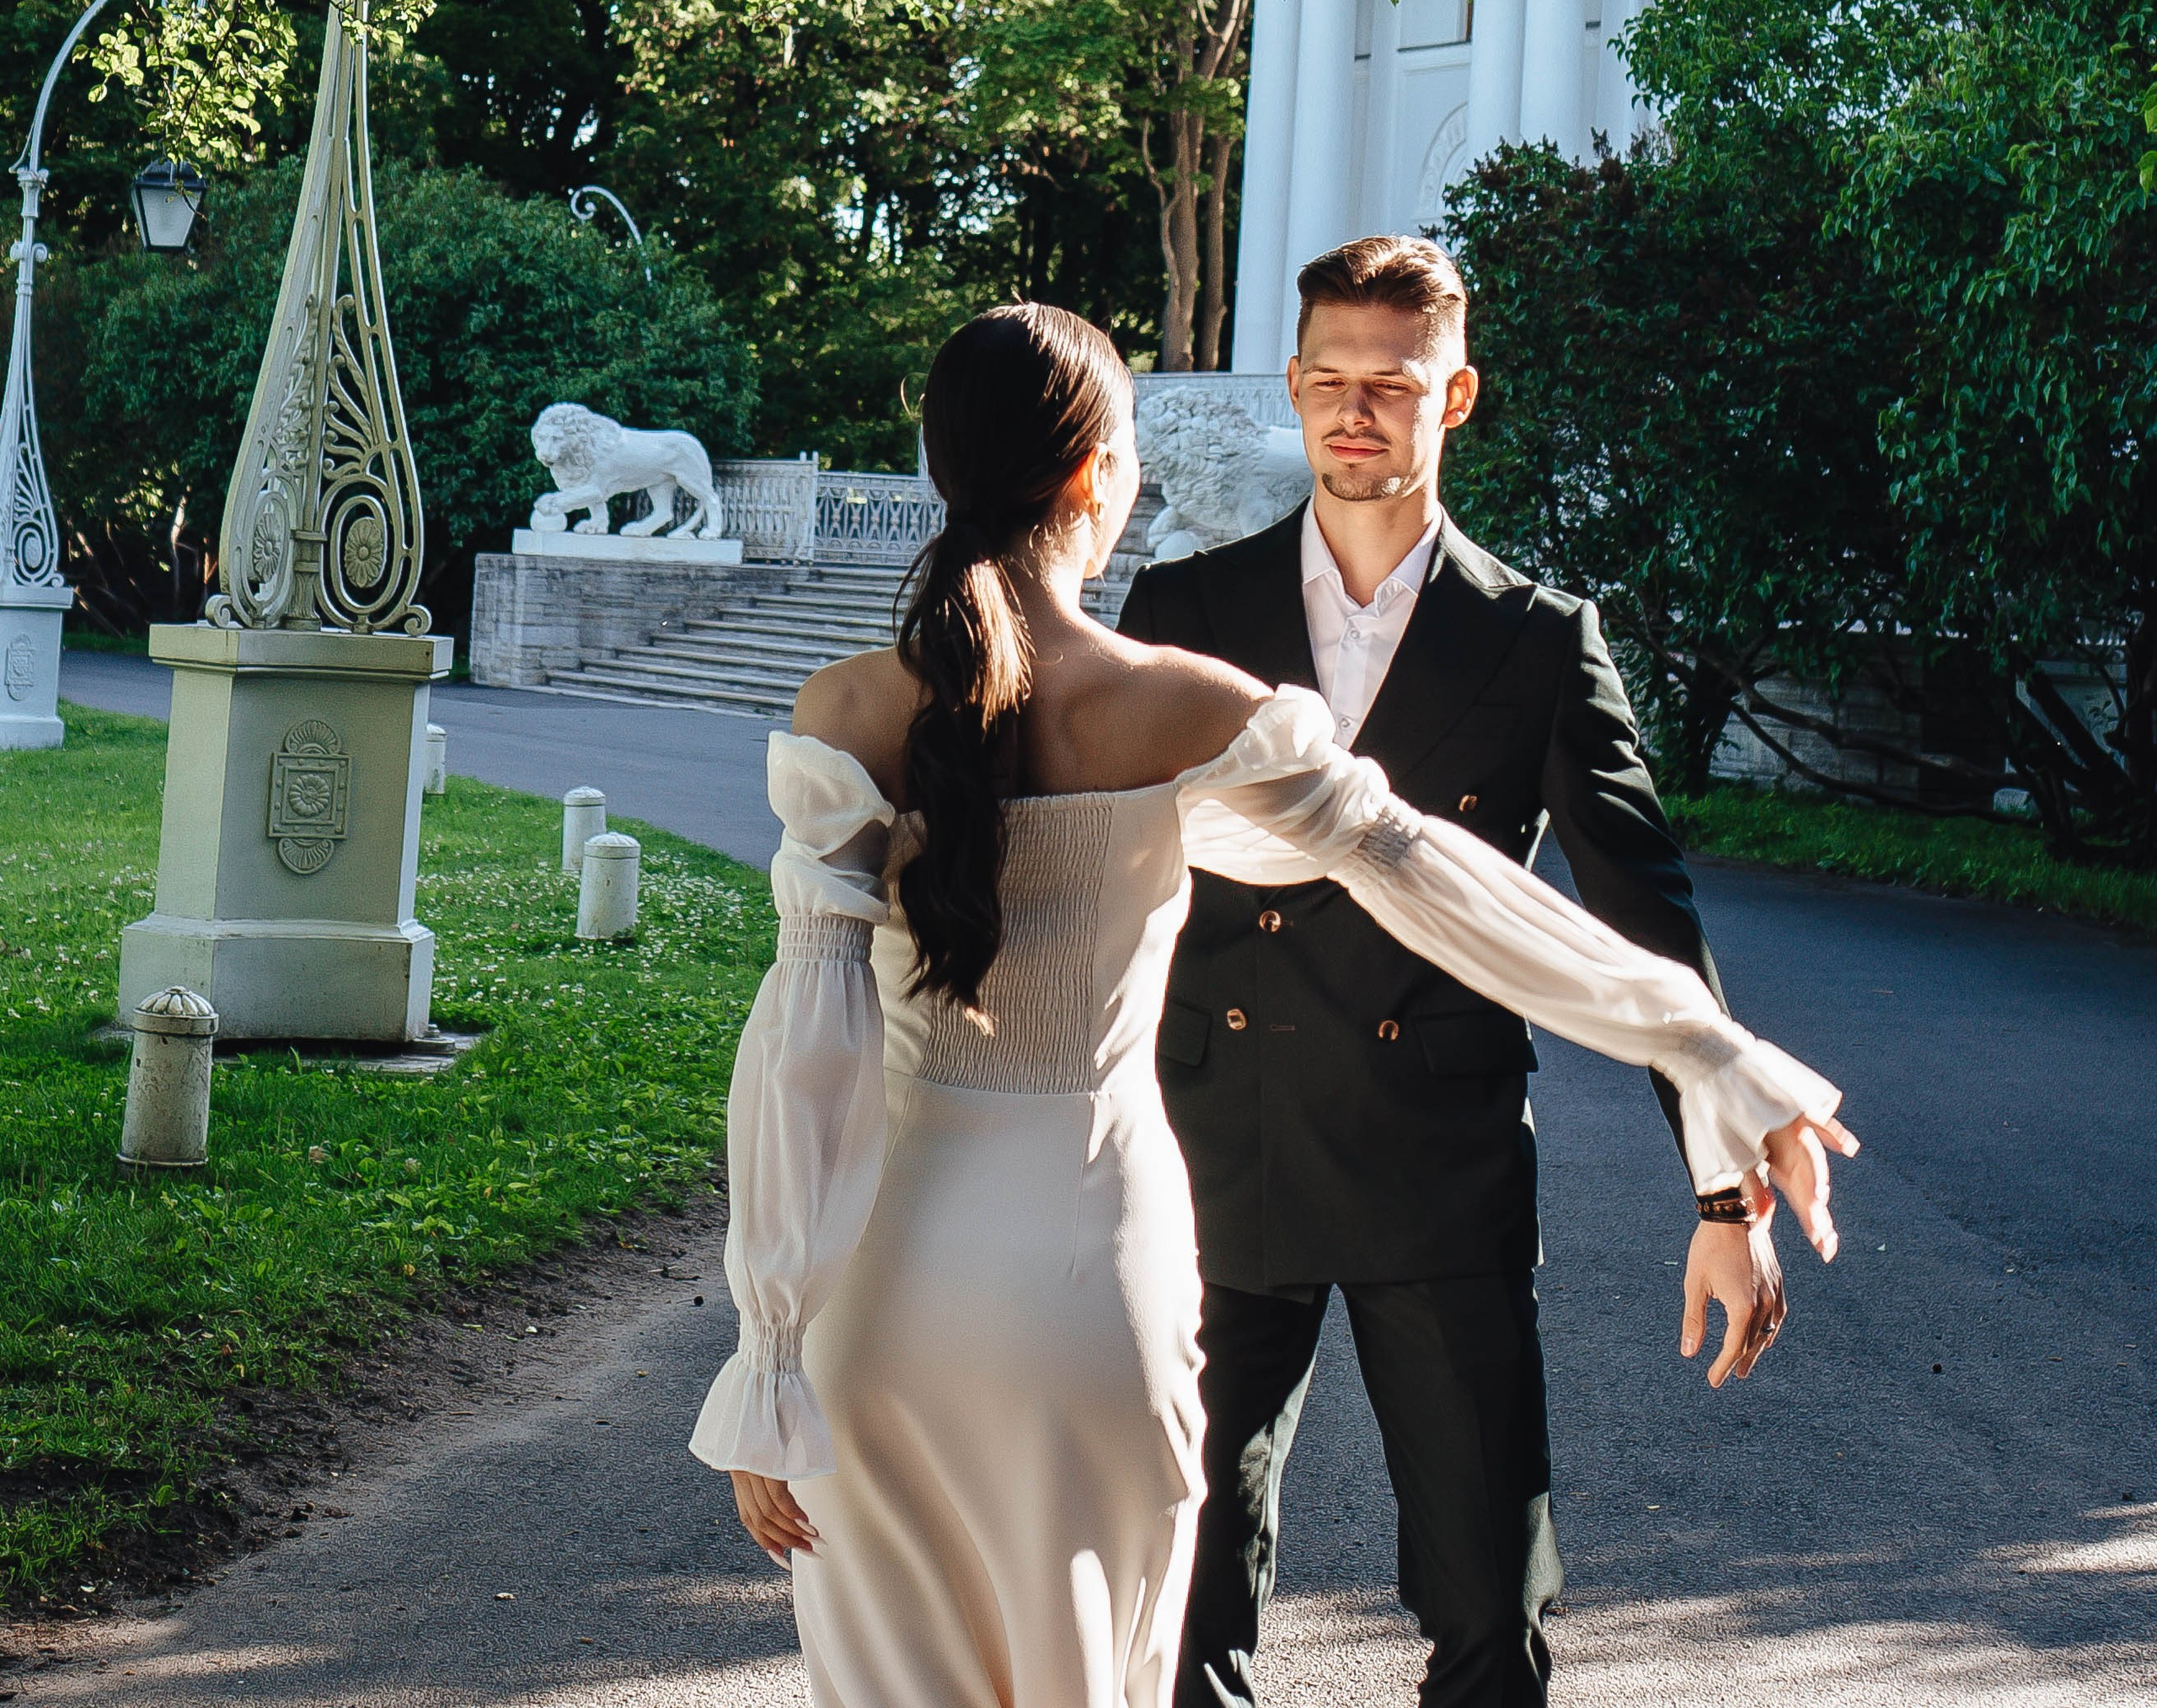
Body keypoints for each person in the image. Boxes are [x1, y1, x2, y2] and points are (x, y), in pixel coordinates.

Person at [691, 301, 1853, 1708]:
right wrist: (1705, 1041)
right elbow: (1450, 889)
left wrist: (768, 1354)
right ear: (1096, 478)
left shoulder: (847, 713)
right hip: (1095, 1286)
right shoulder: (1183, 705)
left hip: (884, 1298)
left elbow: (803, 1057)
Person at [1118, 234, 1778, 1708]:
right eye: (1331, 384)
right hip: (1221, 1146)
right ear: (1293, 388)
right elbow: (1099, 880)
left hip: (1441, 1159)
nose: (1358, 416)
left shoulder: (1540, 641)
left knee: (1492, 1608)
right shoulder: (1186, 610)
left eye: (1394, 388)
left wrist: (1724, 1193)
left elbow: (1646, 934)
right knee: (1182, 1598)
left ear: (1456, 395)